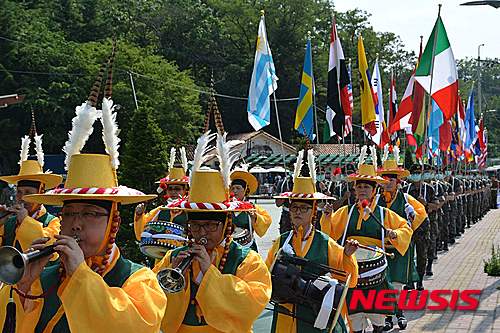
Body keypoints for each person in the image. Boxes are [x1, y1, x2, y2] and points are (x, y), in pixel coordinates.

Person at [8, 62, 166, 332]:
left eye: (89, 213)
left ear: (112, 222)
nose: (75, 224)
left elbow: (131, 324)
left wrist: (80, 274)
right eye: (69, 213)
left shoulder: (140, 279)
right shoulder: (44, 275)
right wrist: (23, 288)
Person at [153, 131, 271, 333]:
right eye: (196, 226)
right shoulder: (173, 257)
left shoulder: (247, 260)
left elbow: (252, 302)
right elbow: (154, 301)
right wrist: (169, 277)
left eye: (210, 225)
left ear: (226, 224)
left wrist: (210, 272)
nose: (202, 232)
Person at [320, 146, 413, 333]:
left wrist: (395, 235)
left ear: (374, 190)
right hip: (352, 272)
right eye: (359, 186)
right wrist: (327, 217)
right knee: (355, 320)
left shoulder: (383, 213)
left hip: (375, 273)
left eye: (366, 187)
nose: (362, 190)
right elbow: (329, 235)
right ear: (354, 189)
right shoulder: (346, 212)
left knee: (378, 319)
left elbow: (405, 229)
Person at [267, 149, 359, 333]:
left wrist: (347, 256)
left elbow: (350, 280)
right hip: (286, 313)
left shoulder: (326, 243)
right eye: (294, 208)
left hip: (315, 315)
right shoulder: (280, 242)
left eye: (303, 208)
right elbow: (266, 274)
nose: (298, 212)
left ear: (314, 210)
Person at [376, 147, 427, 331]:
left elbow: (421, 217)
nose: (388, 181)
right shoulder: (376, 200)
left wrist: (412, 215)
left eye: (392, 178)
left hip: (400, 249)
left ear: (398, 181)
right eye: (385, 178)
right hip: (381, 248)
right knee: (384, 283)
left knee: (396, 285)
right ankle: (391, 316)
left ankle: (397, 314)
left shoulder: (406, 199)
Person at [134, 147, 189, 242]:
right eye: (170, 189)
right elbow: (143, 232)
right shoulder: (159, 210)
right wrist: (139, 215)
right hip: (160, 254)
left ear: (185, 191)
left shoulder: (190, 211)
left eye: (177, 189)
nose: (173, 192)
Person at [230, 166, 272, 252]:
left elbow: (267, 220)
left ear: (245, 190)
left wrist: (255, 217)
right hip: (229, 245)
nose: (235, 191)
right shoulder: (227, 206)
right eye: (233, 188)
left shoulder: (252, 207)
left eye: (238, 188)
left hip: (248, 245)